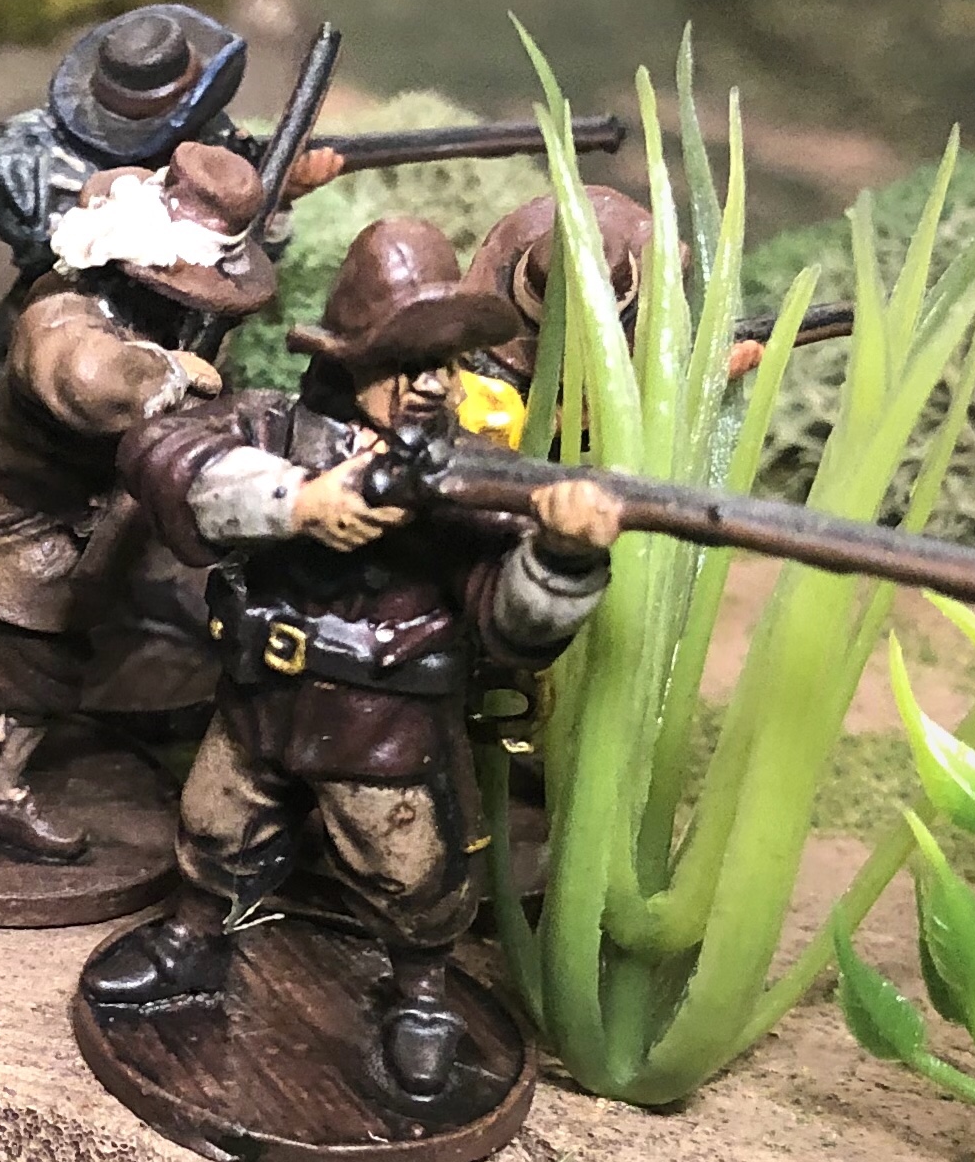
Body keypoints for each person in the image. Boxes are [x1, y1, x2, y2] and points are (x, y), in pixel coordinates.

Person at [87, 216, 624, 1102]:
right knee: (217, 827)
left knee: (407, 873)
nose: (432, 384)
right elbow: (159, 453)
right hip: (260, 699)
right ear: (347, 358)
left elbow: (513, 628)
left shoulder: (474, 479)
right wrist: (297, 502)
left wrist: (561, 559)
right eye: (406, 360)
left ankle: (421, 999)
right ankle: (191, 942)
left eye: (447, 361)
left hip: (384, 724)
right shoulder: (274, 429)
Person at [0, 142, 260, 856]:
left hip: (71, 540)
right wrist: (173, 373)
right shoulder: (64, 319)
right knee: (31, 683)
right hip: (31, 541)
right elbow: (90, 382)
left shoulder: (145, 321)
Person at [0, 6, 340, 494]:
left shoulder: (208, 142)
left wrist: (275, 197)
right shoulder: (26, 158)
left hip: (175, 353)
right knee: (5, 451)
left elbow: (241, 266)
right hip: (68, 328)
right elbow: (61, 256)